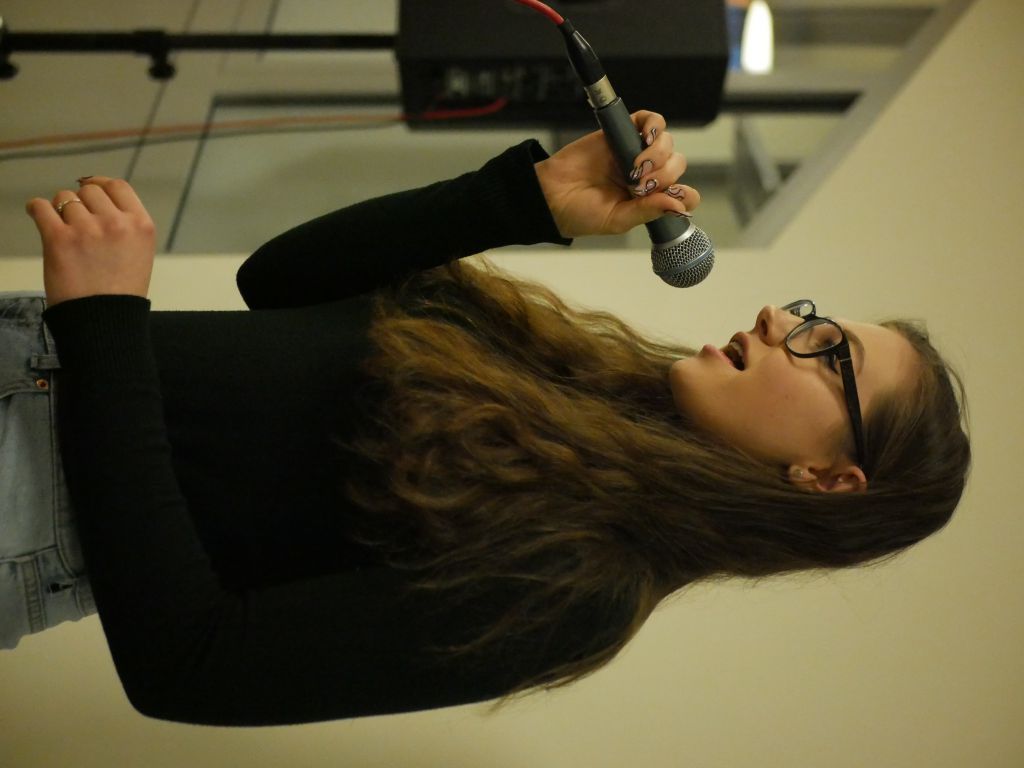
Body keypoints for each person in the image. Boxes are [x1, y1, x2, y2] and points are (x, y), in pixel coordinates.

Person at [2, 111, 970, 726]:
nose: (778, 320)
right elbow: (280, 283)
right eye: (809, 314)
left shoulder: (585, 589)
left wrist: (104, 329)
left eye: (828, 352)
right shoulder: (561, 373)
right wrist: (529, 200)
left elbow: (191, 664)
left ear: (828, 479)